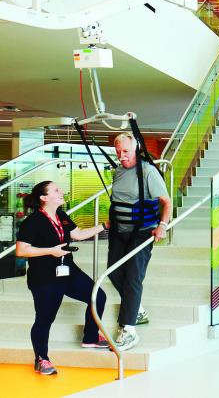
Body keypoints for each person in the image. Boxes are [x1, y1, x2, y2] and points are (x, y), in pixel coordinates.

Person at [15, 181, 109, 375]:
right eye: (56, 190)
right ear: (44, 198)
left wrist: (104, 225)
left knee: (98, 296)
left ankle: (91, 337)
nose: (61, 192)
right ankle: (41, 359)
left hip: (67, 270)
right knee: (45, 318)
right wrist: (51, 251)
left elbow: (79, 235)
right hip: (44, 277)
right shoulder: (32, 222)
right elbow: (21, 250)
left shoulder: (62, 216)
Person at [103, 132, 172, 351]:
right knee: (114, 272)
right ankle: (138, 309)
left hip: (142, 231)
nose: (121, 156)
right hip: (119, 230)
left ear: (136, 150)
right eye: (118, 151)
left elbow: (166, 202)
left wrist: (162, 225)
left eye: (125, 151)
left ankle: (129, 329)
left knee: (133, 276)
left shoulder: (148, 172)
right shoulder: (118, 172)